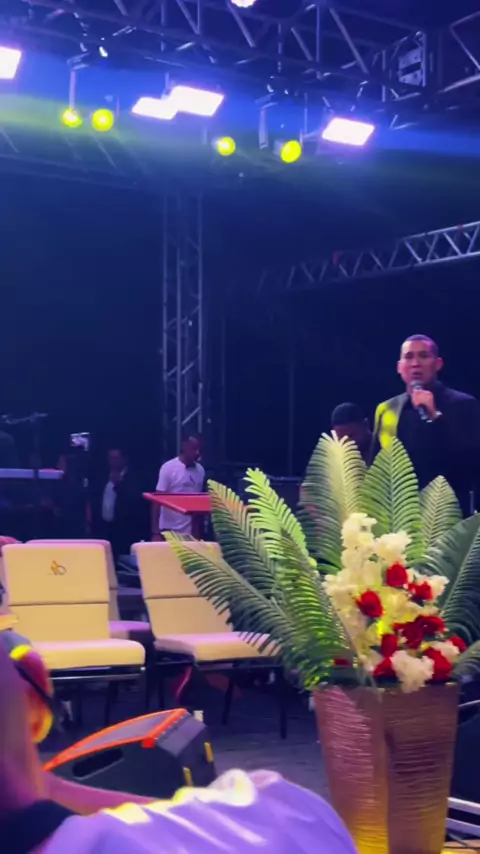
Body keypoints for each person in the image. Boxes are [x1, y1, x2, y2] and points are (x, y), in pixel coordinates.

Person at [0, 630, 357, 854]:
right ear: (37, 693)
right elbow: (296, 824)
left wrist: (46, 788)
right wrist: (45, 786)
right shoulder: (285, 824)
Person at [373, 334, 480, 513]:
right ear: (399, 367)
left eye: (423, 356)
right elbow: (376, 468)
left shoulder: (462, 404)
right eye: (409, 357)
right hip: (400, 514)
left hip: (448, 513)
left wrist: (435, 417)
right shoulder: (388, 409)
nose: (416, 363)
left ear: (438, 364)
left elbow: (471, 464)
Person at [153, 435, 205, 538]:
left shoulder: (200, 470)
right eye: (194, 449)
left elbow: (198, 503)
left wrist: (197, 530)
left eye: (199, 450)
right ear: (184, 447)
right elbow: (157, 501)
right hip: (169, 529)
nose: (197, 453)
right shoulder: (168, 468)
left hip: (190, 531)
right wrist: (155, 532)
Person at [98, 449, 147, 557]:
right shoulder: (103, 476)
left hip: (123, 529)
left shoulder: (132, 478)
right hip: (105, 527)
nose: (112, 461)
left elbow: (134, 501)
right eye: (110, 458)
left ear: (123, 459)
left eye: (115, 458)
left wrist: (119, 484)